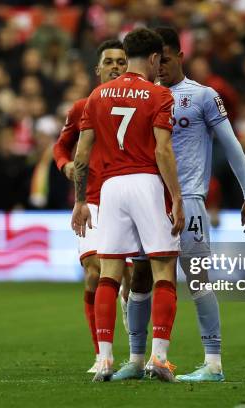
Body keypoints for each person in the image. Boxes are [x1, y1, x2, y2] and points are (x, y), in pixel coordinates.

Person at [113, 27, 245, 383]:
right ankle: (136, 359)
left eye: (165, 58)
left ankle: (213, 363)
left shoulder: (202, 96)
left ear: (180, 56)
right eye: (154, 59)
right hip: (148, 198)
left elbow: (232, 145)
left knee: (197, 279)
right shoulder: (143, 96)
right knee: (142, 278)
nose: (159, 65)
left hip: (190, 199)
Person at [71, 28, 184, 382]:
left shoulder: (97, 96)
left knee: (109, 272)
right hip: (147, 183)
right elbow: (163, 151)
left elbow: (81, 156)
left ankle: (104, 359)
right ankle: (159, 358)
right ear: (153, 59)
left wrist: (79, 201)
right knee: (163, 269)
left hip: (110, 189)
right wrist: (176, 197)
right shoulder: (159, 95)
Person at [53, 39, 133, 373]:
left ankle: (137, 350)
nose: (115, 67)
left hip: (130, 199)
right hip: (94, 200)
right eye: (109, 62)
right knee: (94, 273)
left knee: (130, 276)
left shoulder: (142, 103)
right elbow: (62, 146)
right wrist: (65, 166)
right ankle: (102, 354)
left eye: (121, 61)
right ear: (98, 69)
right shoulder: (82, 107)